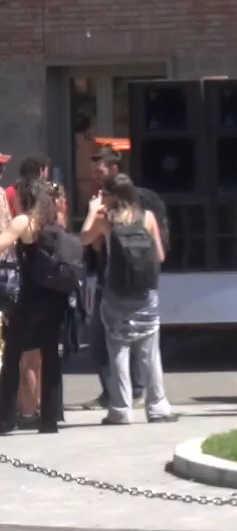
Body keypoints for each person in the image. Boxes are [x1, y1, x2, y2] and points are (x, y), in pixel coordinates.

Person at [79, 174, 176, 425]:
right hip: (145, 295)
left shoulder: (106, 220)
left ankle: (120, 409)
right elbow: (160, 256)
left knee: (118, 352)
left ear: (113, 196)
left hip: (116, 294)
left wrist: (92, 211)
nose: (101, 198)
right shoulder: (148, 217)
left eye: (104, 194)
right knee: (150, 353)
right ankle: (158, 407)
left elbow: (84, 238)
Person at [0, 181, 73, 435]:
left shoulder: (24, 221)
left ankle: (5, 419)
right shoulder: (54, 221)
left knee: (12, 354)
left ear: (24, 197)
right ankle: (50, 420)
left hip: (31, 297)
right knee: (50, 355)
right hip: (56, 296)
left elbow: (2, 243)